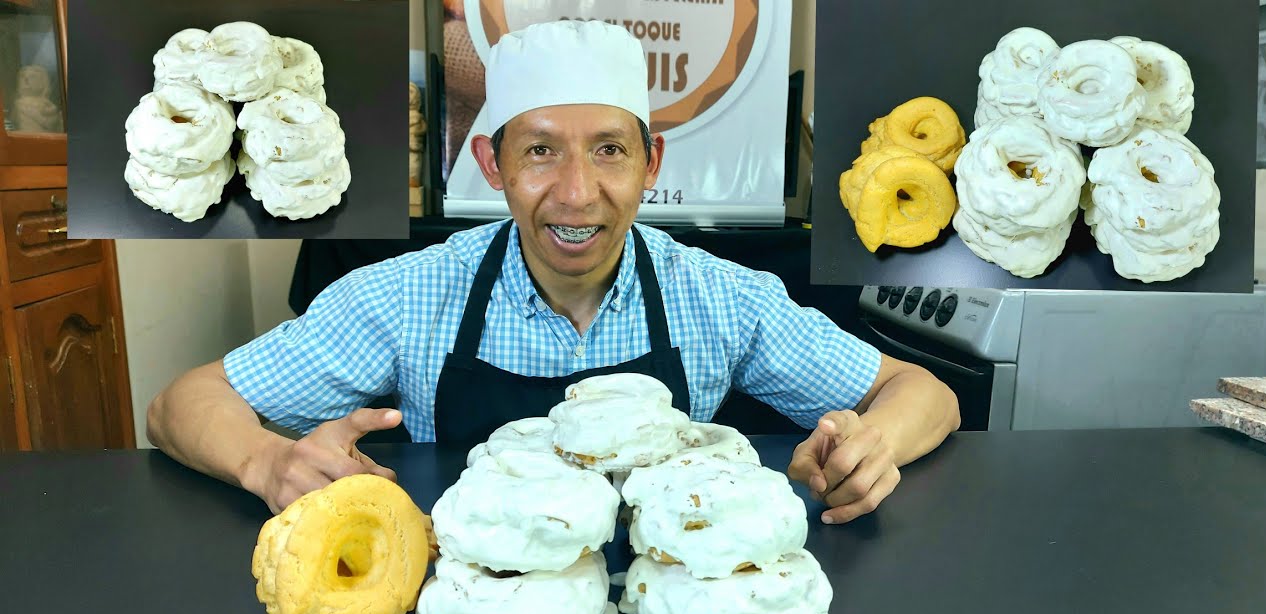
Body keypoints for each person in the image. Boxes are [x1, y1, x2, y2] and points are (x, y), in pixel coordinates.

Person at [147, 20, 960, 523]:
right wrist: (268, 462)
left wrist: (871, 447)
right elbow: (181, 403)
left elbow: (924, 392)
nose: (576, 193)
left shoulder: (719, 298)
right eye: (540, 151)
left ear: (651, 163)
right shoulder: (406, 297)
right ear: (491, 164)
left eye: (609, 150)